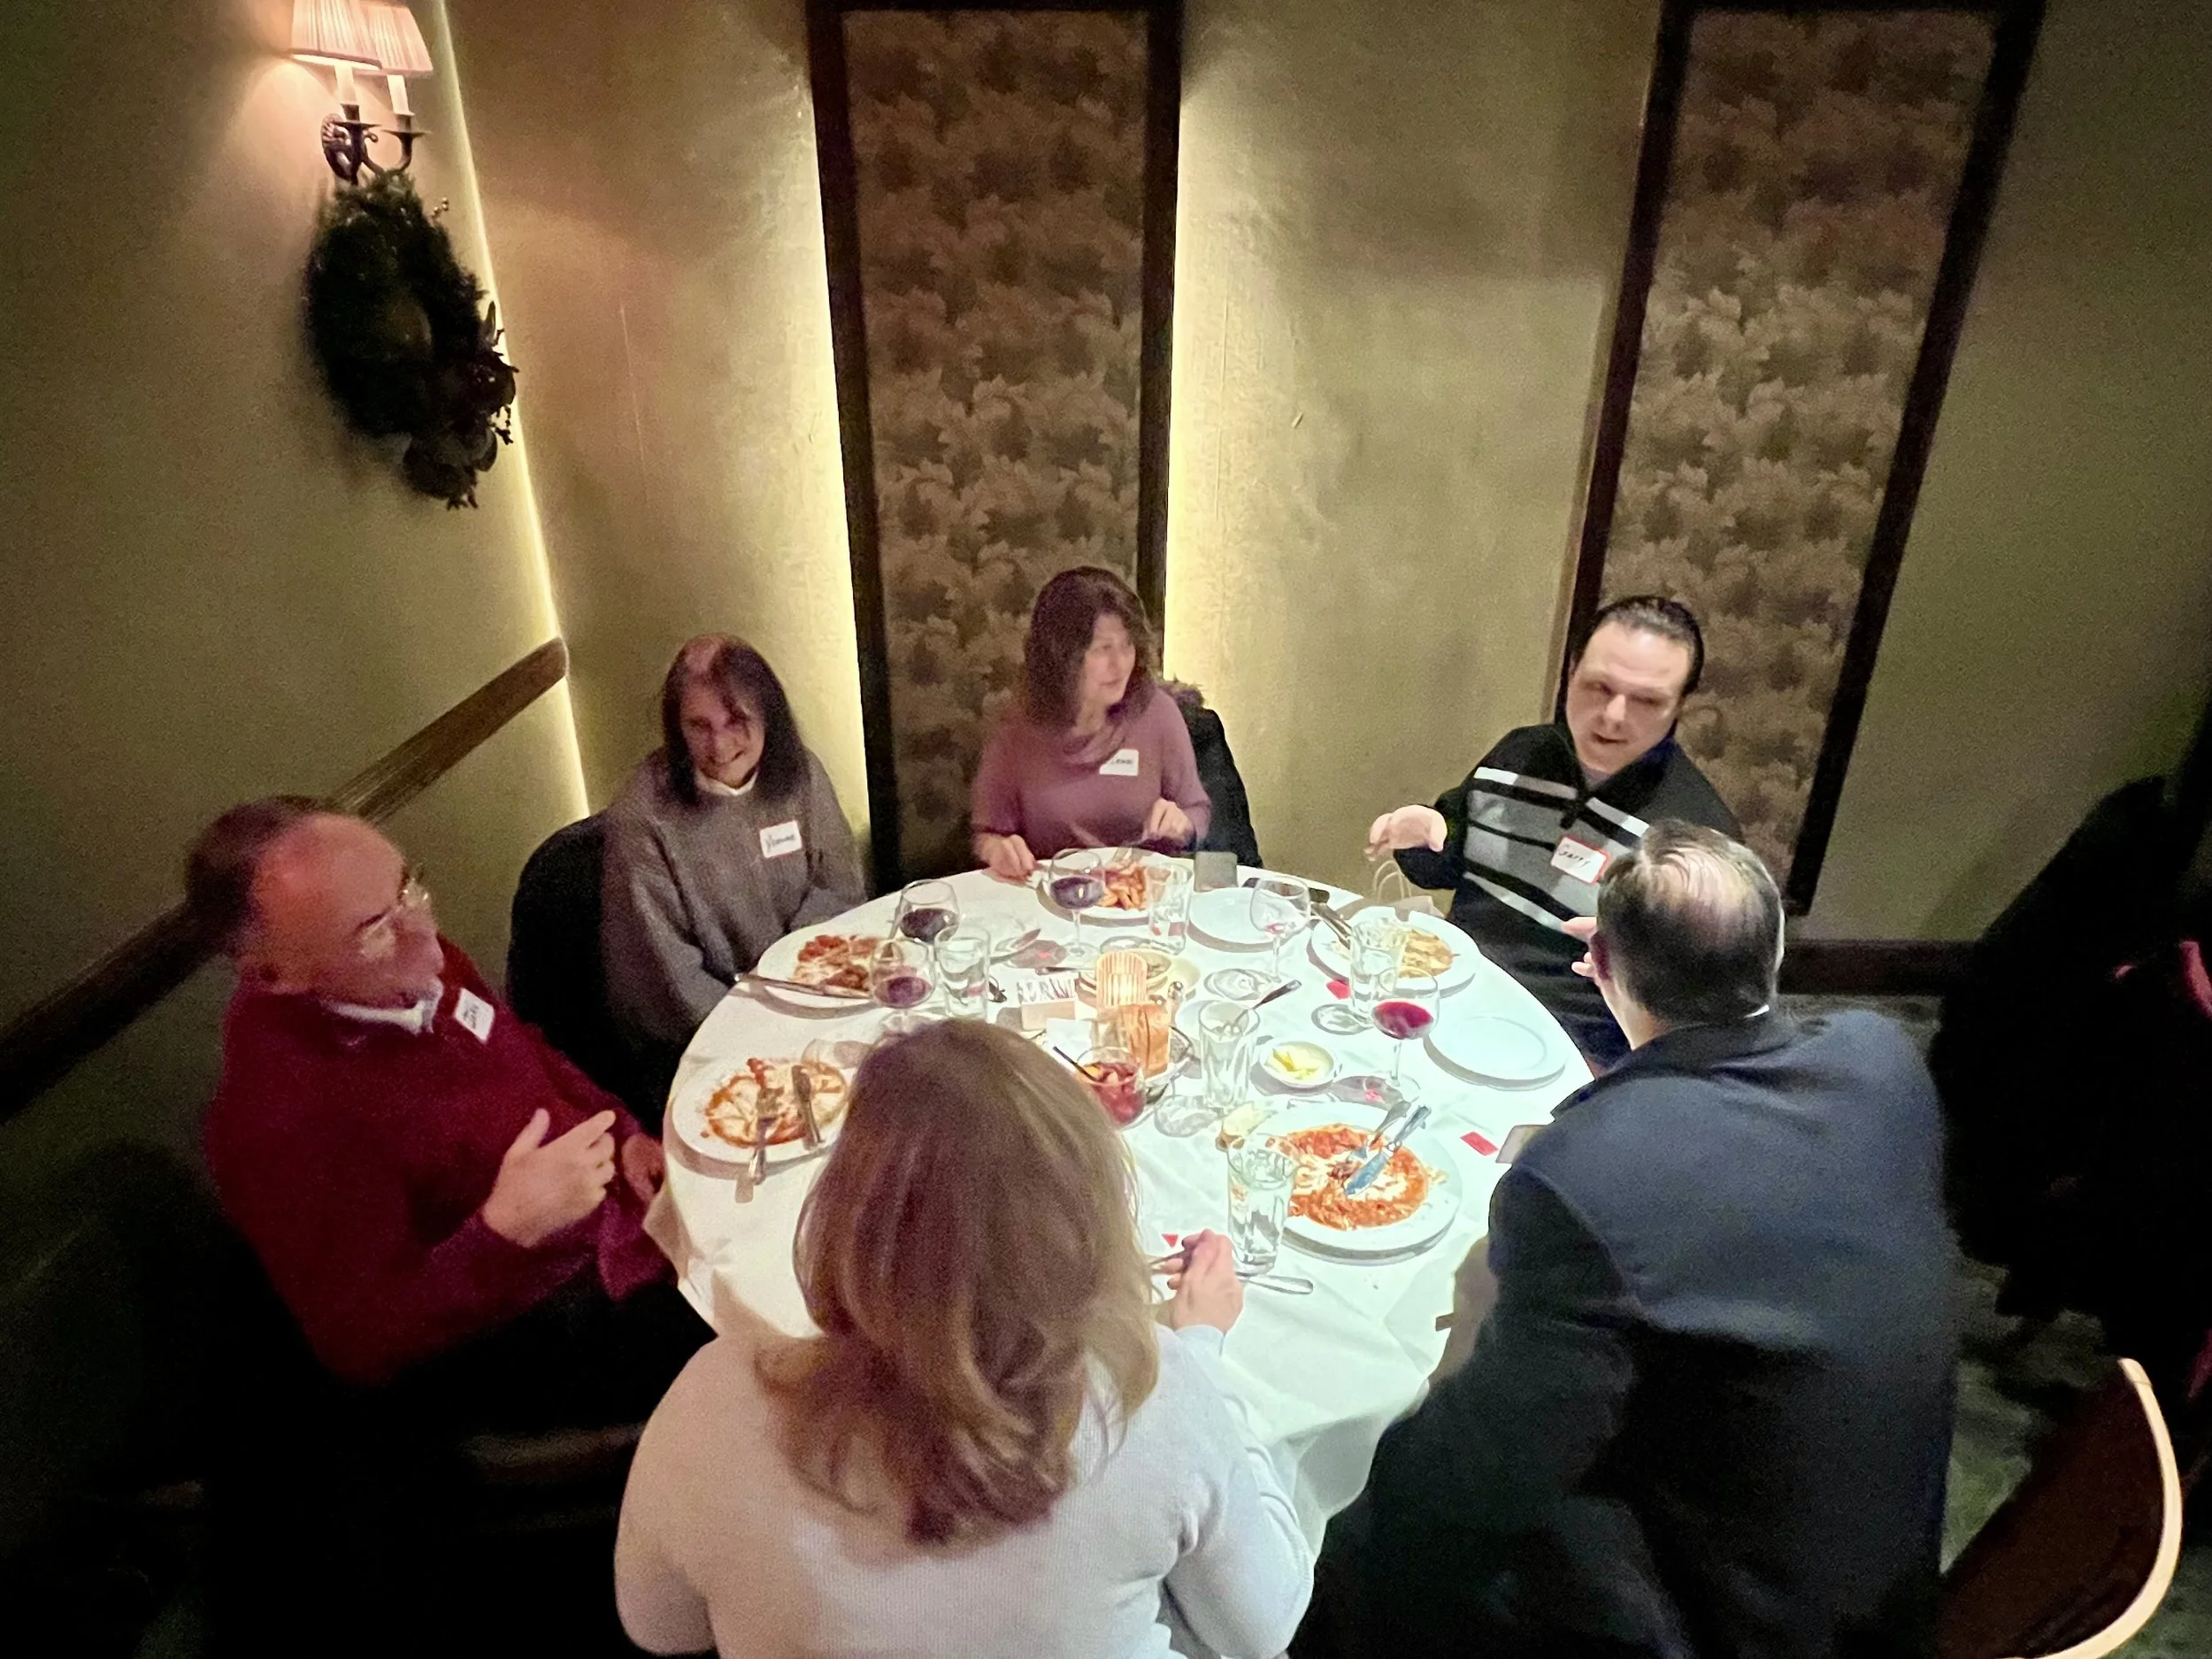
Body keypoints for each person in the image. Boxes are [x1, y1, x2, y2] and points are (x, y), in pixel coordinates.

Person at [1297, 823, 1958, 1659]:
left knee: (1365, 1529)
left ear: (1600, 964)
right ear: (1772, 950)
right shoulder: (1885, 1058)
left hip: (1737, 1619)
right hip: (1886, 1582)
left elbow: (1483, 1476)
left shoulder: (1585, 1171)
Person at [614, 1020, 1312, 1658]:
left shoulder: (713, 1402)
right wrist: (1203, 1353)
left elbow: (659, 1625)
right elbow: (1262, 1627)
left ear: (844, 1214)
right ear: (1083, 1219)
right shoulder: (1154, 1400)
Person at [192, 797, 708, 1424]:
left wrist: (622, 1131)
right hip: (542, 1320)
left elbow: (531, 1054)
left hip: (619, 1210)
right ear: (277, 975)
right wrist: (504, 1229)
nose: (426, 934)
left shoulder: (408, 964)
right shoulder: (283, 1120)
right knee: (783, 1336)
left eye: (409, 886)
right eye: (374, 929)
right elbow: (361, 1340)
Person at [1367, 595, 1739, 1066]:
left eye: (1647, 701)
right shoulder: (1517, 756)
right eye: (1598, 687)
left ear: (1682, 705)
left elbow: (1703, 1015)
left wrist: (1641, 961)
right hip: (1452, 1004)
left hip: (1578, 1055)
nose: (1613, 716)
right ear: (1571, 671)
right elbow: (1450, 859)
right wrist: (1426, 834)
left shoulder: (1698, 838)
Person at [602, 635, 865, 1084]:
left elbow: (838, 887)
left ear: (769, 717)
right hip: (708, 1039)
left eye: (737, 720)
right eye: (699, 726)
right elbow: (667, 974)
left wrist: (794, 986)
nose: (719, 746)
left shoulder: (801, 775)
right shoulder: (644, 816)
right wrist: (756, 1027)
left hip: (809, 995)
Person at [972, 566, 1210, 879]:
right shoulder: (1019, 728)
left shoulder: (1156, 713)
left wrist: (1183, 825)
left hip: (1143, 899)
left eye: (1127, 645)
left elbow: (1198, 811)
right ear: (1061, 659)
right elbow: (987, 833)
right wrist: (997, 849)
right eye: (1102, 650)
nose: (1120, 664)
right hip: (1055, 900)